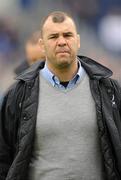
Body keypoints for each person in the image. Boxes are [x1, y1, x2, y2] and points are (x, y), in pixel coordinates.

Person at [0, 11, 121, 180]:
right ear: (42, 45)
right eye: (54, 37)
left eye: (68, 35)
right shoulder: (18, 94)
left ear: (78, 41)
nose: (62, 41)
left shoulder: (109, 90)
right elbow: (4, 158)